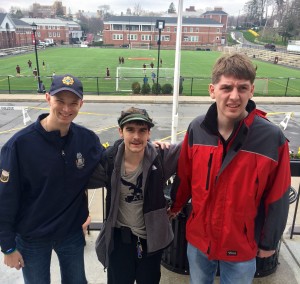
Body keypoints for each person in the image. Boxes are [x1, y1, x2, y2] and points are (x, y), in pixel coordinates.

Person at [169, 53, 291, 284]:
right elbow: (184, 176)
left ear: (251, 90)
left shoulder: (271, 138)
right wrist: (175, 206)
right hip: (199, 239)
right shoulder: (197, 128)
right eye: (226, 88)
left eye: (242, 88)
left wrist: (269, 242)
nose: (234, 96)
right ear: (212, 90)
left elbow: (278, 196)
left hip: (241, 243)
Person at [0, 74, 105, 284]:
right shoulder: (19, 145)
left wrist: (150, 148)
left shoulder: (87, 140)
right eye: (60, 101)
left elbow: (111, 161)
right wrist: (8, 246)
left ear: (81, 104)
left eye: (73, 103)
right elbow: (5, 198)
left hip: (70, 232)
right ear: (48, 98)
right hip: (32, 236)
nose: (66, 109)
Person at [88, 107, 181, 284]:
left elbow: (192, 149)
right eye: (130, 129)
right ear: (120, 132)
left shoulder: (160, 157)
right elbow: (78, 176)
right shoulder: (109, 160)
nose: (136, 137)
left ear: (149, 133)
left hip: (151, 240)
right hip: (119, 239)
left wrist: (178, 201)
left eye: (142, 130)